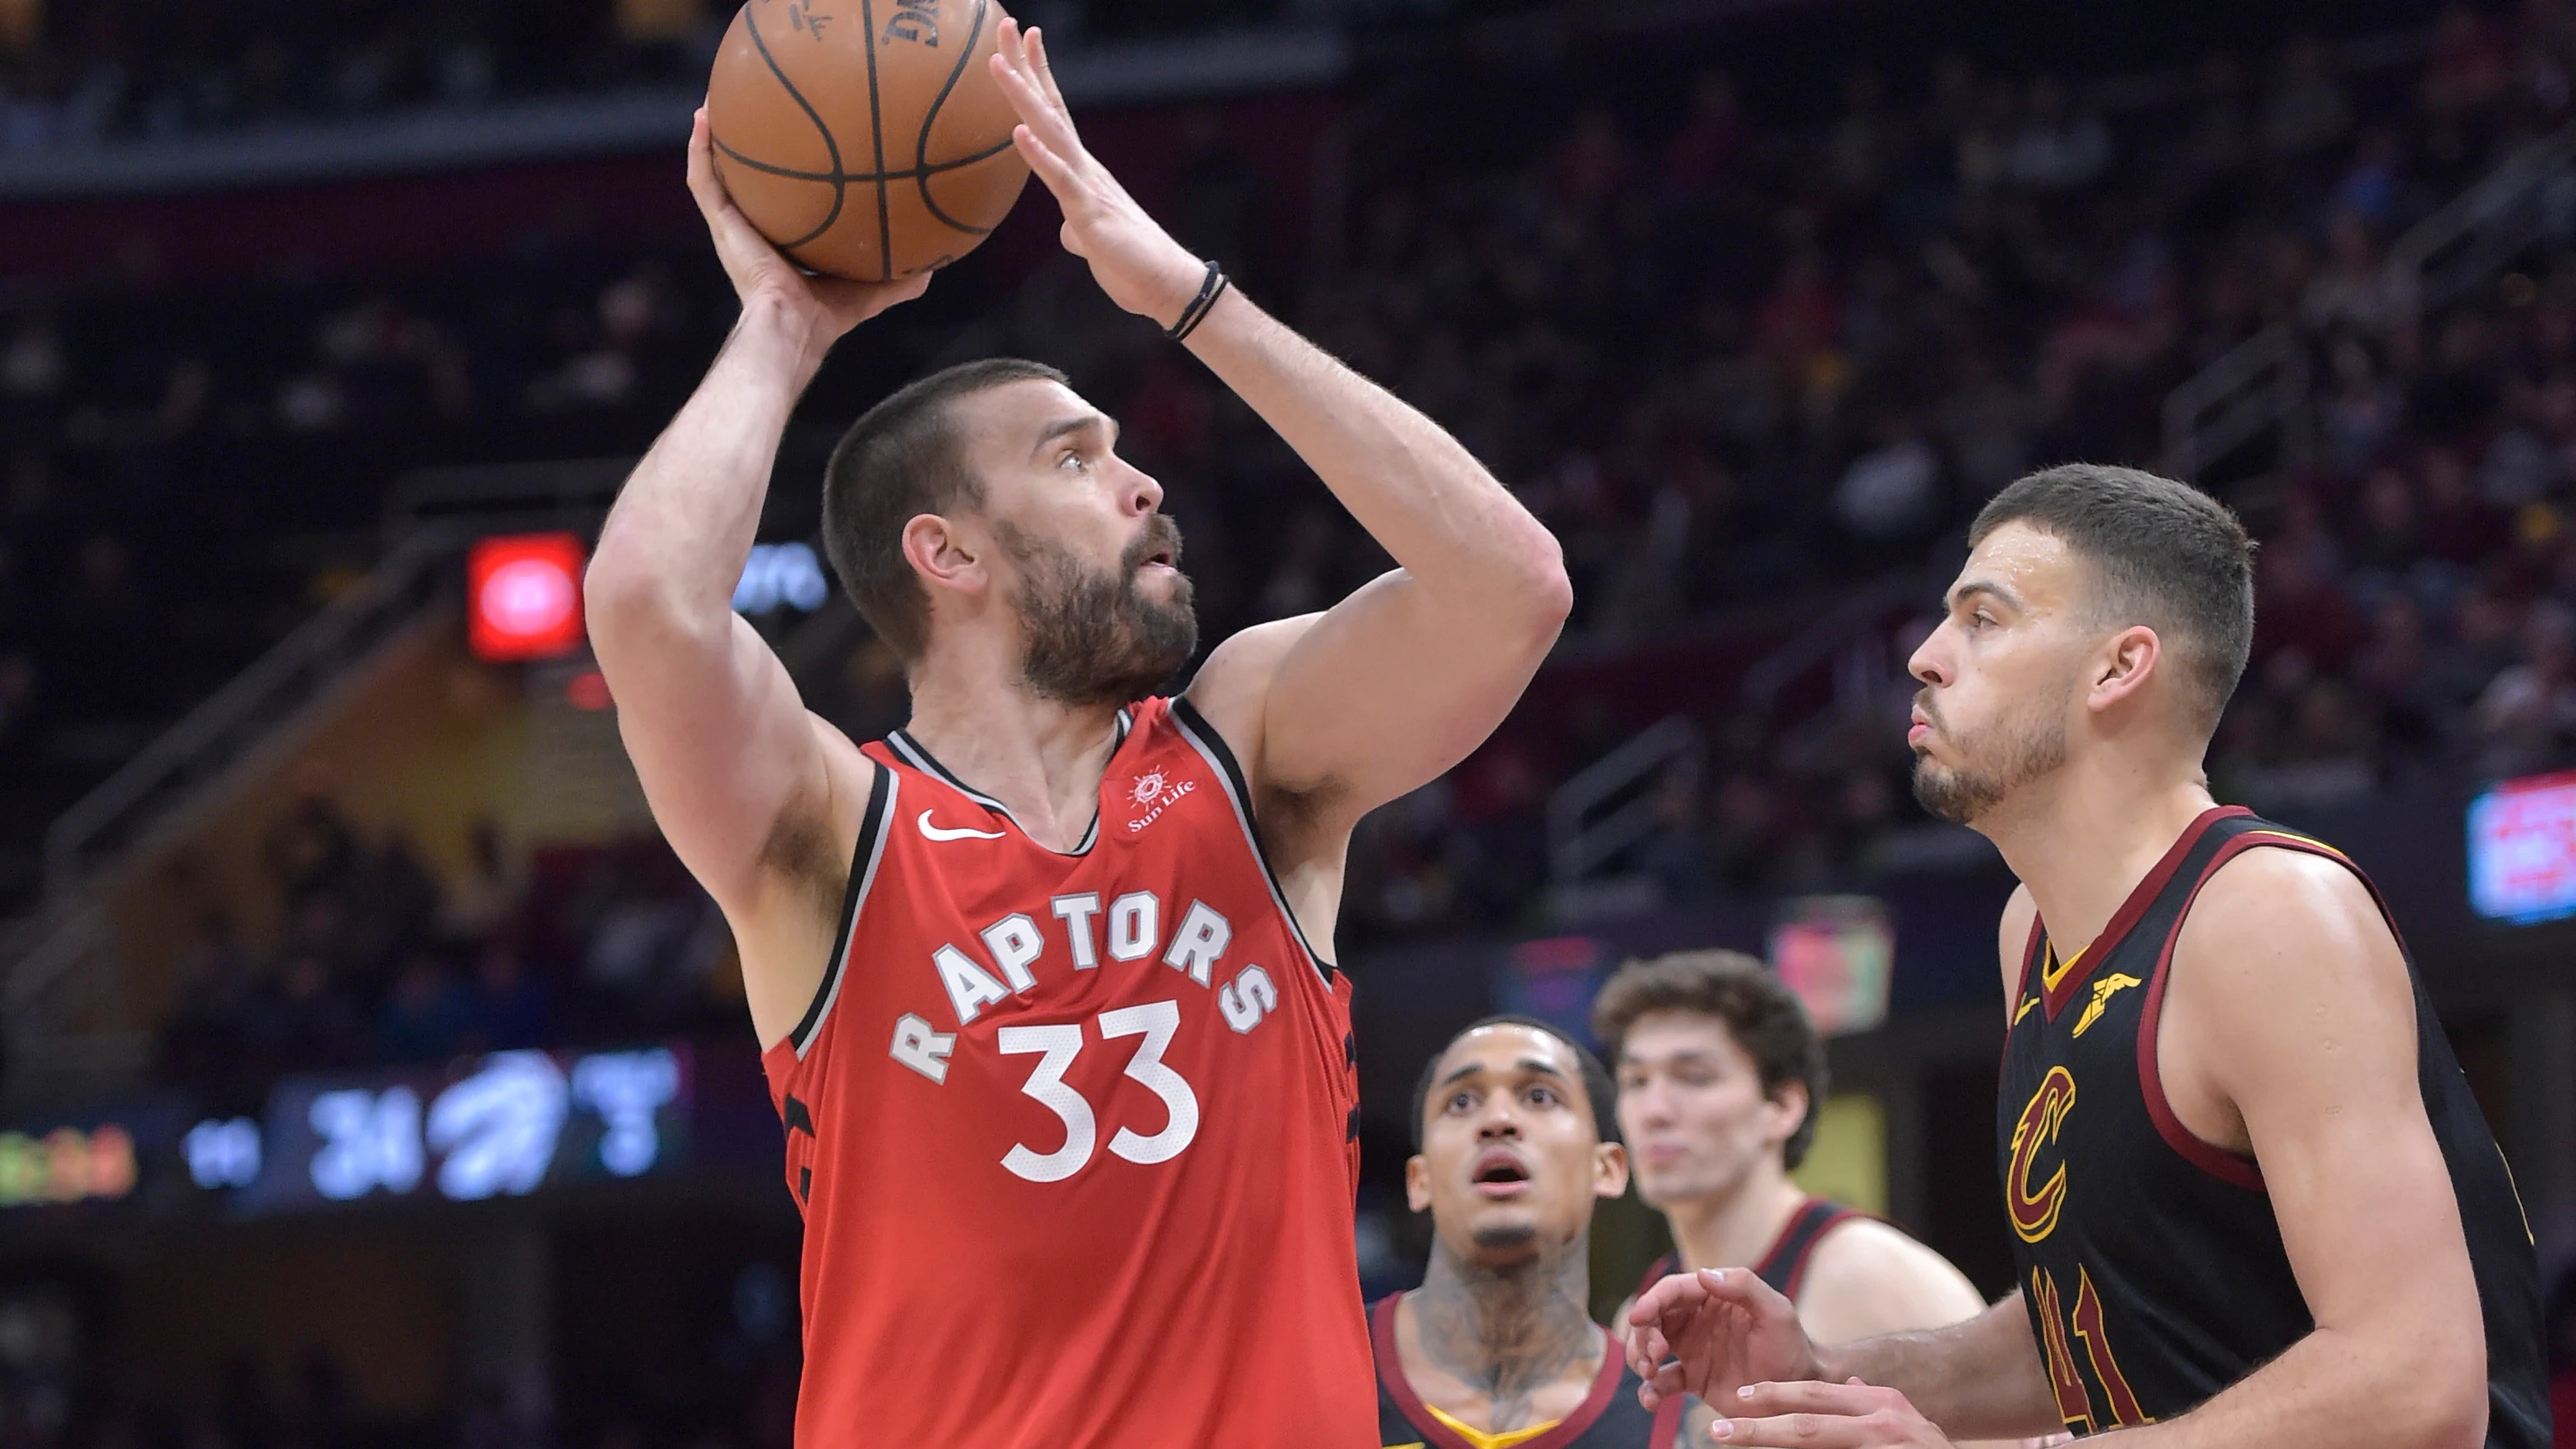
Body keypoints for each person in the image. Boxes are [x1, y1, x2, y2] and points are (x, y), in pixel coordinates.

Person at [583, 21, 1570, 1449]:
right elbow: (646, 602)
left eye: (1118, 447)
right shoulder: (824, 831)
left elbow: (1512, 588)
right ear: (947, 553)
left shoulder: (1250, 753)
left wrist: (1188, 296)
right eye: (1073, 459)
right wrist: (783, 328)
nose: (1141, 480)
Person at [1624, 464, 2547, 1447]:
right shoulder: (2032, 929)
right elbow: (2085, 1327)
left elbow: (2411, 1382)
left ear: (2117, 667)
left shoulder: (2266, 914)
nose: (1926, 656)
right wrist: (1821, 1370)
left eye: (1981, 619)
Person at [1591, 950, 1987, 1343]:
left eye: (1695, 1078)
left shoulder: (1871, 1273)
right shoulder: (1638, 1318)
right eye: (1636, 1082)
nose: (1654, 1111)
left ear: (1782, 1106)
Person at [1376, 1015, 1673, 1447]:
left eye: (1539, 1096)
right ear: (1418, 1181)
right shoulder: (1321, 1365)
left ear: (1606, 1169)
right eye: (1461, 1103)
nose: (1498, 1120)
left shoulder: (1676, 1416)